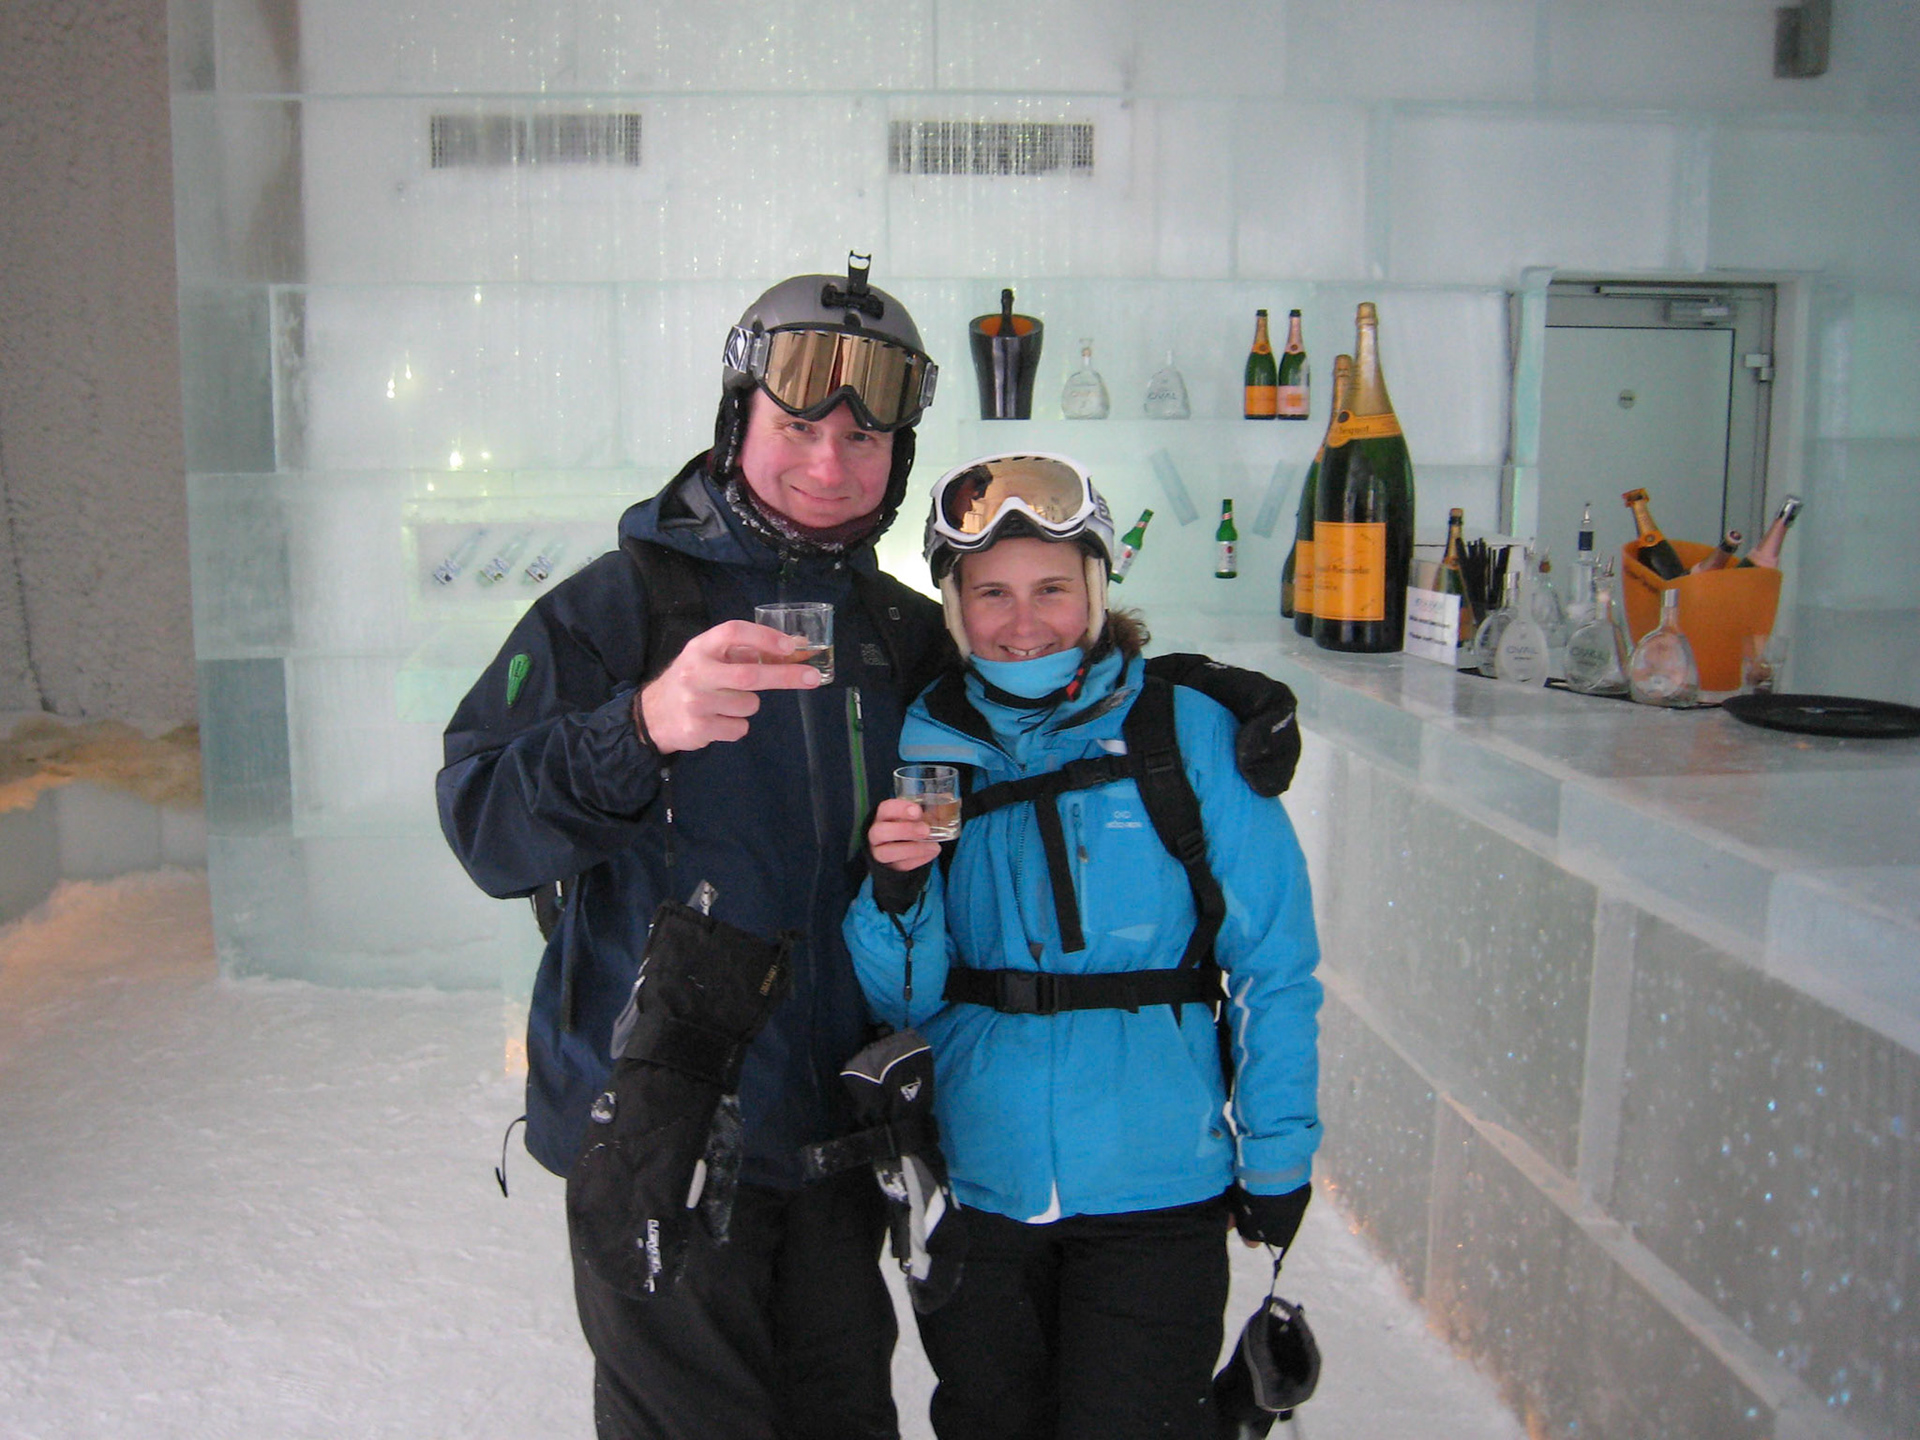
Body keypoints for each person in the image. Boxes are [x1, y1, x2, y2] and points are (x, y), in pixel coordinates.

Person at [437, 256, 952, 1440]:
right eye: (797, 425)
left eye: (864, 441)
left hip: (835, 1146)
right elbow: (482, 824)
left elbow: (1042, 705)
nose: (830, 465)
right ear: (737, 420)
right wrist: (636, 730)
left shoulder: (906, 637)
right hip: (663, 1132)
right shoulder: (620, 607)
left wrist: (1185, 706)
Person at [843, 453, 1323, 1440]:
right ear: (955, 606)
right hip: (983, 1181)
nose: (1024, 622)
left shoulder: (1185, 735)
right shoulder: (932, 746)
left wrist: (1277, 1158)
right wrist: (897, 893)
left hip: (1159, 1183)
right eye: (992, 594)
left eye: (1053, 588)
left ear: (1098, 590)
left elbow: (1276, 965)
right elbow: (904, 997)